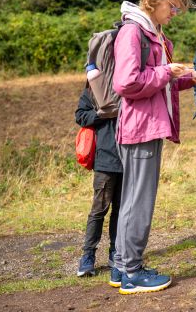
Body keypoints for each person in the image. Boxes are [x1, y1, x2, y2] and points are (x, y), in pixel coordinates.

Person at [110, 0, 196, 294]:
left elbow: (158, 82)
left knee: (132, 200)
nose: (175, 12)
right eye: (173, 5)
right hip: (140, 128)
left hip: (146, 126)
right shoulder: (134, 32)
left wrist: (188, 78)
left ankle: (121, 266)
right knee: (138, 202)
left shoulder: (154, 32)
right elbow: (127, 83)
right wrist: (167, 70)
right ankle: (132, 271)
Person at [74, 88, 122, 277]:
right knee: (99, 210)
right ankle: (88, 257)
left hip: (129, 158)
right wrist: (101, 114)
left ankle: (115, 253)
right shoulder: (94, 89)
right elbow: (81, 116)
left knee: (121, 210)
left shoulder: (128, 84)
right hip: (105, 159)